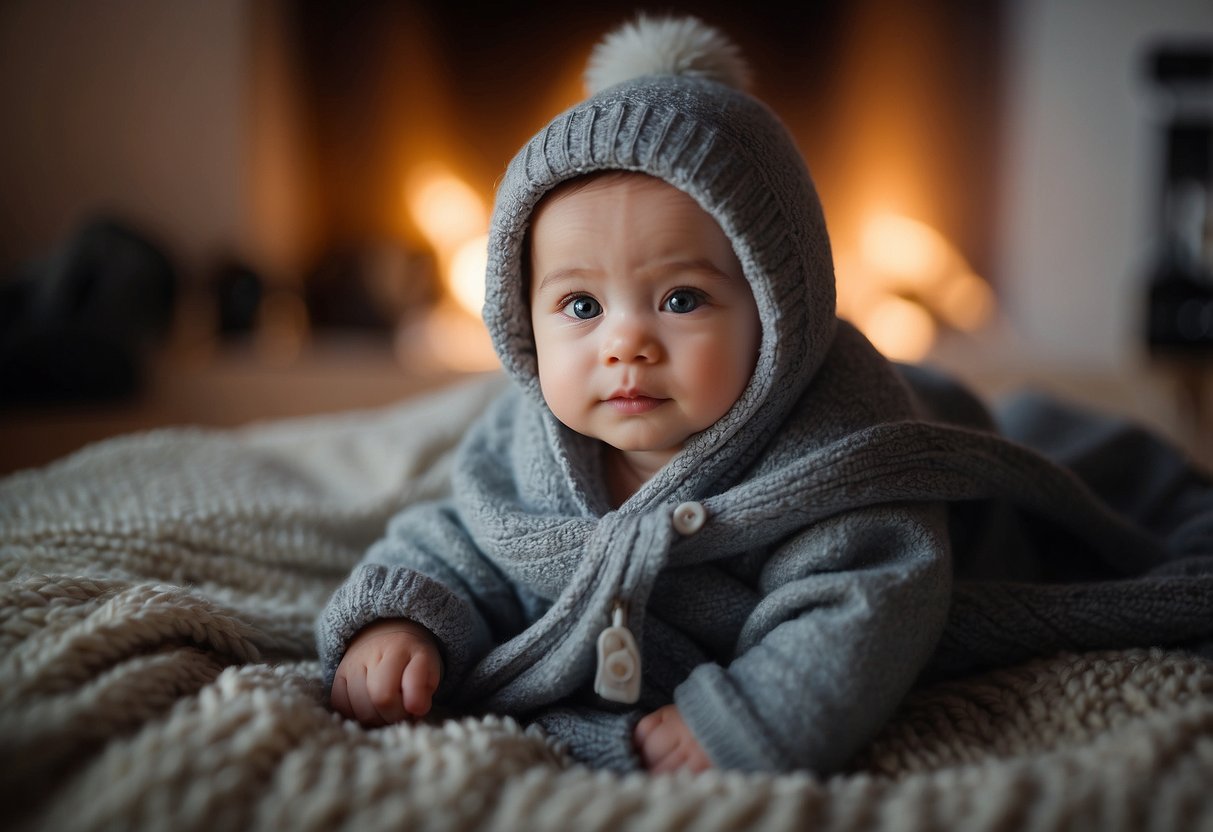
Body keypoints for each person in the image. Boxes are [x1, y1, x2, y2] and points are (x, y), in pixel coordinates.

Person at [317, 14, 1213, 774]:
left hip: (920, 437)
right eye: (580, 305)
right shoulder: (524, 446)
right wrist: (404, 624)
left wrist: (745, 715)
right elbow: (454, 542)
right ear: (523, 323)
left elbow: (866, 601)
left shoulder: (833, 455)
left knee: (1057, 464)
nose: (625, 340)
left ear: (777, 313)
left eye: (681, 299)